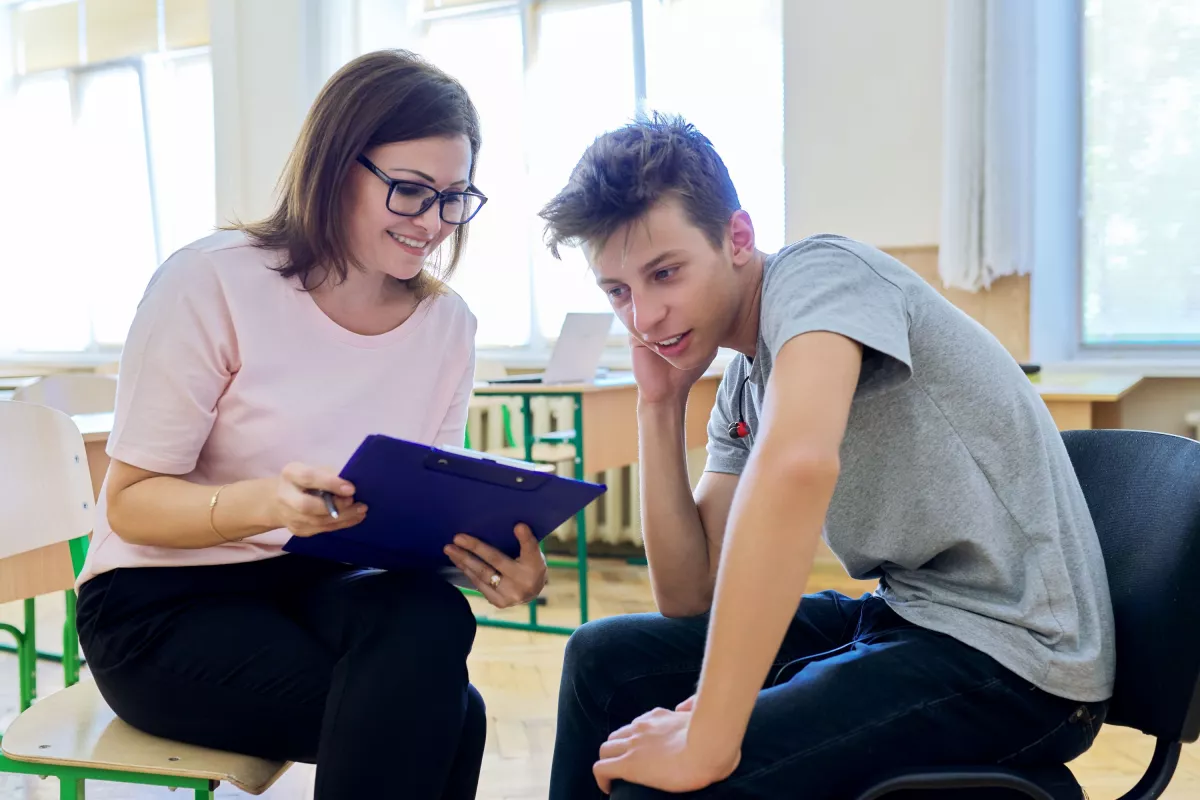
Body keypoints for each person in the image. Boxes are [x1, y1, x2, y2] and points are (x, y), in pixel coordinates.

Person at [537, 114, 1115, 799]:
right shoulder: (746, 380)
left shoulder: (821, 274)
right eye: (619, 292)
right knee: (603, 659)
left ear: (737, 239)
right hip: (907, 616)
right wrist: (659, 406)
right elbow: (688, 592)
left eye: (665, 273)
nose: (645, 317)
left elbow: (798, 465)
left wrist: (710, 739)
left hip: (1018, 658)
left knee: (667, 787)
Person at [74, 50, 548, 800]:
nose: (433, 222)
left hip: (315, 589)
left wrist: (487, 563)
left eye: (454, 197)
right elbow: (130, 504)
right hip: (160, 607)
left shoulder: (446, 325)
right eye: (410, 191)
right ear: (334, 167)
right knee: (449, 714)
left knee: (430, 611)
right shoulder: (211, 282)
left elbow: (416, 529)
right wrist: (267, 503)